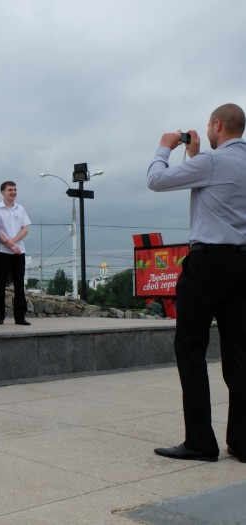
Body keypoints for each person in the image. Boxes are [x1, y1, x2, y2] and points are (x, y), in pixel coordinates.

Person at [148, 103, 246, 463]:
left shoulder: (212, 163)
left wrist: (165, 147)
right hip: (242, 263)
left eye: (209, 125)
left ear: (217, 125)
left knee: (191, 348)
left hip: (209, 262)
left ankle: (201, 442)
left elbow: (156, 180)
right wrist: (196, 155)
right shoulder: (225, 161)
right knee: (240, 352)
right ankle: (243, 441)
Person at [0, 181, 31, 326]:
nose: (13, 192)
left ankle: (20, 317)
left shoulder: (20, 209)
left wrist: (14, 242)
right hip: (2, 251)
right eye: (10, 190)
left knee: (19, 285)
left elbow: (25, 229)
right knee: (0, 285)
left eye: (15, 189)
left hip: (18, 251)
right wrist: (9, 244)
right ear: (2, 192)